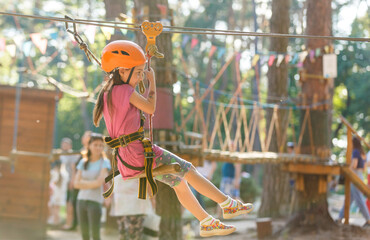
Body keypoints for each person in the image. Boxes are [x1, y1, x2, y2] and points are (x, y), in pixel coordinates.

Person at [92, 40, 253, 237]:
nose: (140, 77)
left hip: (127, 160)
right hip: (139, 154)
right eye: (138, 73)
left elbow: (133, 108)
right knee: (189, 170)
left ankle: (207, 222)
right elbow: (150, 108)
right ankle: (227, 204)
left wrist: (145, 63)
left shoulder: (108, 92)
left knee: (179, 183)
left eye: (142, 73)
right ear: (122, 71)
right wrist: (152, 83)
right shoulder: (124, 90)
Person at [74, 133, 111, 240]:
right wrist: (92, 183)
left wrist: (83, 183)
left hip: (95, 201)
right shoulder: (83, 162)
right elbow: (76, 183)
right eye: (95, 145)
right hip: (81, 201)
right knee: (84, 235)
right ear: (89, 145)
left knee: (95, 235)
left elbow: (99, 183)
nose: (98, 147)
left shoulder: (104, 162)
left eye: (100, 145)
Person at [337, 137, 370, 227]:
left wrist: (348, 170)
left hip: (354, 176)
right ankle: (340, 217)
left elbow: (354, 164)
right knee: (350, 199)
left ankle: (368, 219)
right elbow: (364, 168)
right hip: (360, 175)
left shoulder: (355, 152)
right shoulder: (362, 153)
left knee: (359, 199)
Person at [48, 159, 68, 226]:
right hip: (62, 194)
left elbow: (52, 183)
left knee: (53, 207)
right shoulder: (65, 174)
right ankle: (56, 221)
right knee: (57, 208)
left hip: (55, 193)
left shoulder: (53, 173)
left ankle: (55, 221)